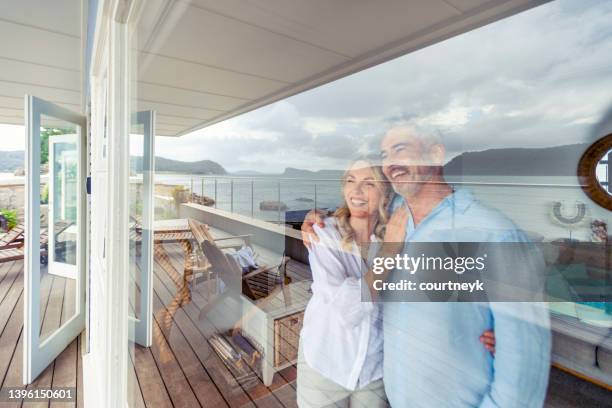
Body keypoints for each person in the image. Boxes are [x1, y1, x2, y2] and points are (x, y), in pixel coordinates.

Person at [302, 126, 551, 407]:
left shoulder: (493, 233)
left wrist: (501, 335)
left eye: (401, 149)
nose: (391, 162)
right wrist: (317, 216)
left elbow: (524, 359)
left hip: (390, 380)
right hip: (348, 371)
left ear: (436, 154)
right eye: (385, 154)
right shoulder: (393, 227)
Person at [297, 157, 391, 408]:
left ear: (386, 192)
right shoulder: (323, 231)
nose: (356, 191)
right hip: (326, 361)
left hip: (375, 366)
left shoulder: (395, 233)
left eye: (368, 183)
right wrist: (391, 255)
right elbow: (346, 307)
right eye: (351, 181)